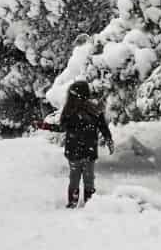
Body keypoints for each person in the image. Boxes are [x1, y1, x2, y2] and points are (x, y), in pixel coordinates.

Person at [39, 80, 114, 208]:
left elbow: (62, 127)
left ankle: (76, 203)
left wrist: (108, 140)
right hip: (86, 151)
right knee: (87, 179)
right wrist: (108, 140)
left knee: (76, 178)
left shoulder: (75, 110)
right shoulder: (91, 110)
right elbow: (102, 127)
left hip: (75, 151)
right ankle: (87, 203)